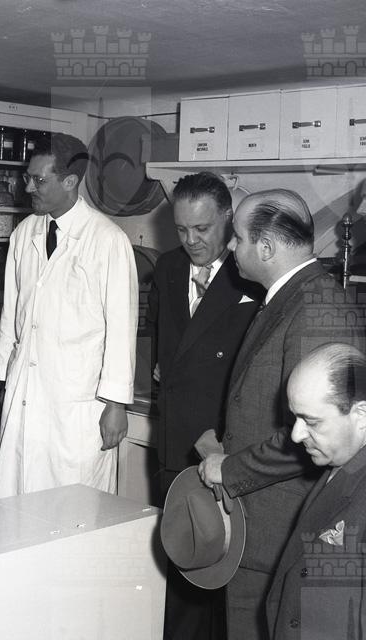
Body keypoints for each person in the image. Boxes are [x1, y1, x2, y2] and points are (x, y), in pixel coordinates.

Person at [198, 189, 363, 640]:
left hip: (276, 533)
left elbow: (317, 433)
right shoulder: (289, 297)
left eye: (238, 238)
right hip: (257, 527)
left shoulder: (317, 307)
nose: (231, 247)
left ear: (266, 248)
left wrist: (229, 468)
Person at [0, 133, 138, 499]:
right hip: (26, 391)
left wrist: (116, 404)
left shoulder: (107, 239)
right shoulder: (24, 233)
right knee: (16, 499)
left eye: (39, 180)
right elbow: (11, 314)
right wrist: (5, 381)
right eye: (27, 177)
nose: (28, 187)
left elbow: (122, 328)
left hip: (78, 400)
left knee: (74, 506)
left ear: (70, 181)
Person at [148, 171, 261, 640]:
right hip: (176, 447)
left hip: (223, 450)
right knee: (183, 571)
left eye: (202, 228)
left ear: (228, 219)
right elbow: (164, 346)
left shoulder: (250, 275)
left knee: (225, 586)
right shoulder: (168, 269)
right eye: (181, 229)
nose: (191, 240)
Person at [266, 343, 366, 639]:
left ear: (361, 414)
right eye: (295, 419)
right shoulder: (340, 466)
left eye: (311, 422)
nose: (296, 435)